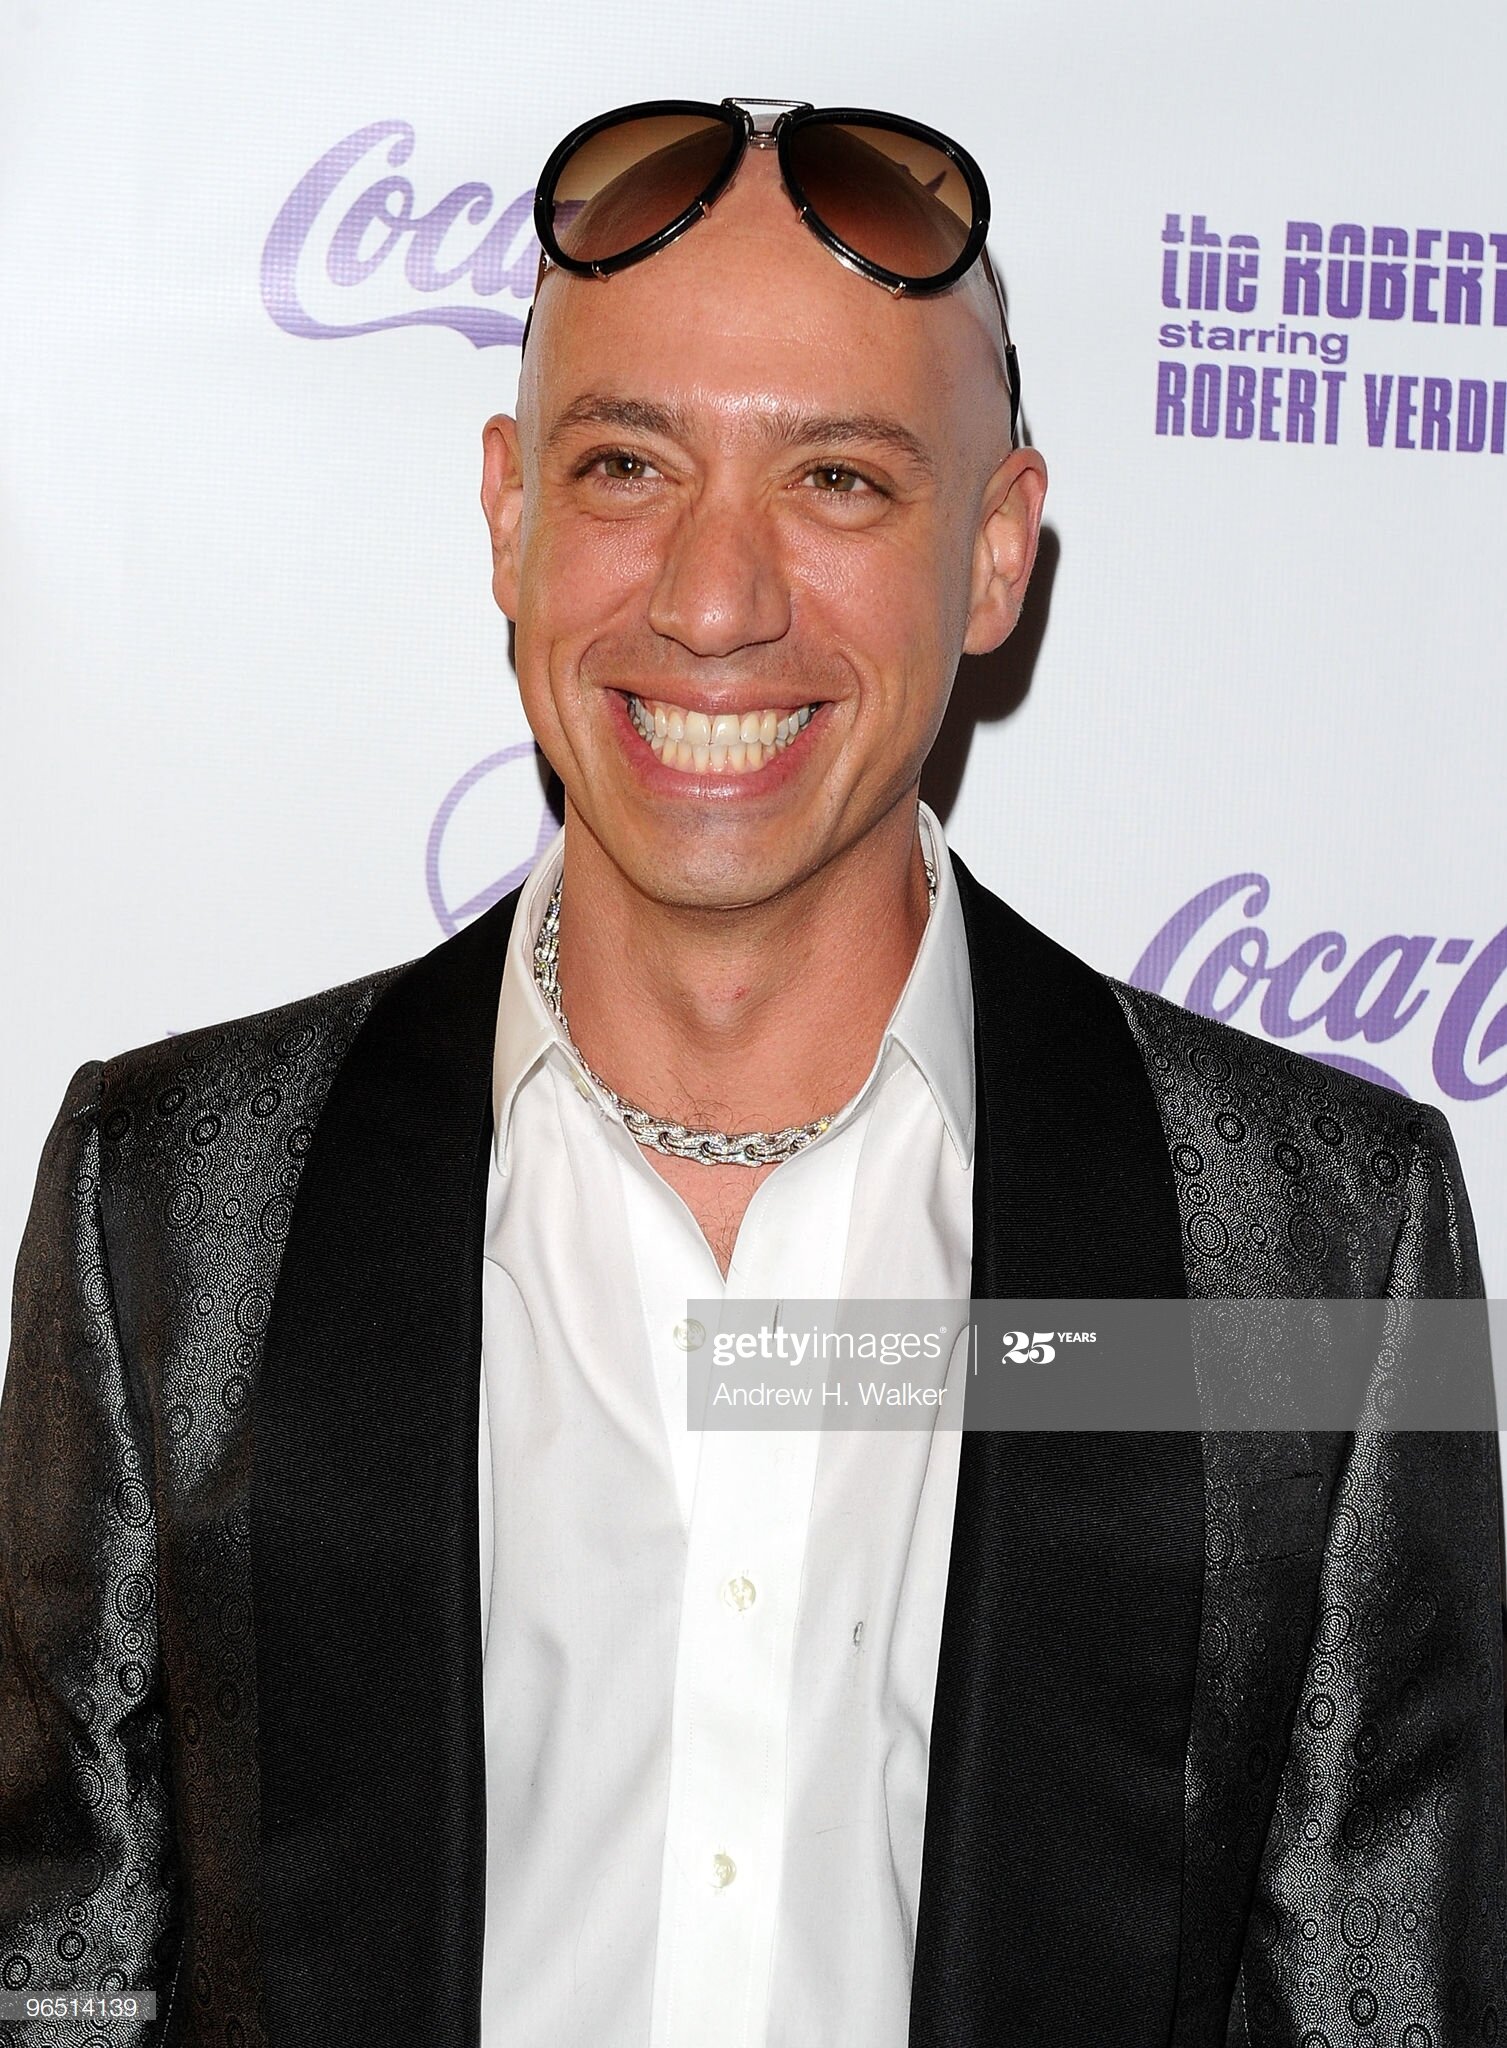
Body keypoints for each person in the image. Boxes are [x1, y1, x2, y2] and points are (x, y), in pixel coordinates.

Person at [1, 94, 1502, 2048]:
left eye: (841, 484)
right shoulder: (170, 1205)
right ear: (509, 517)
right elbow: (57, 1987)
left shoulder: (1327, 1256)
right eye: (626, 463)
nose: (714, 600)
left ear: (993, 552)